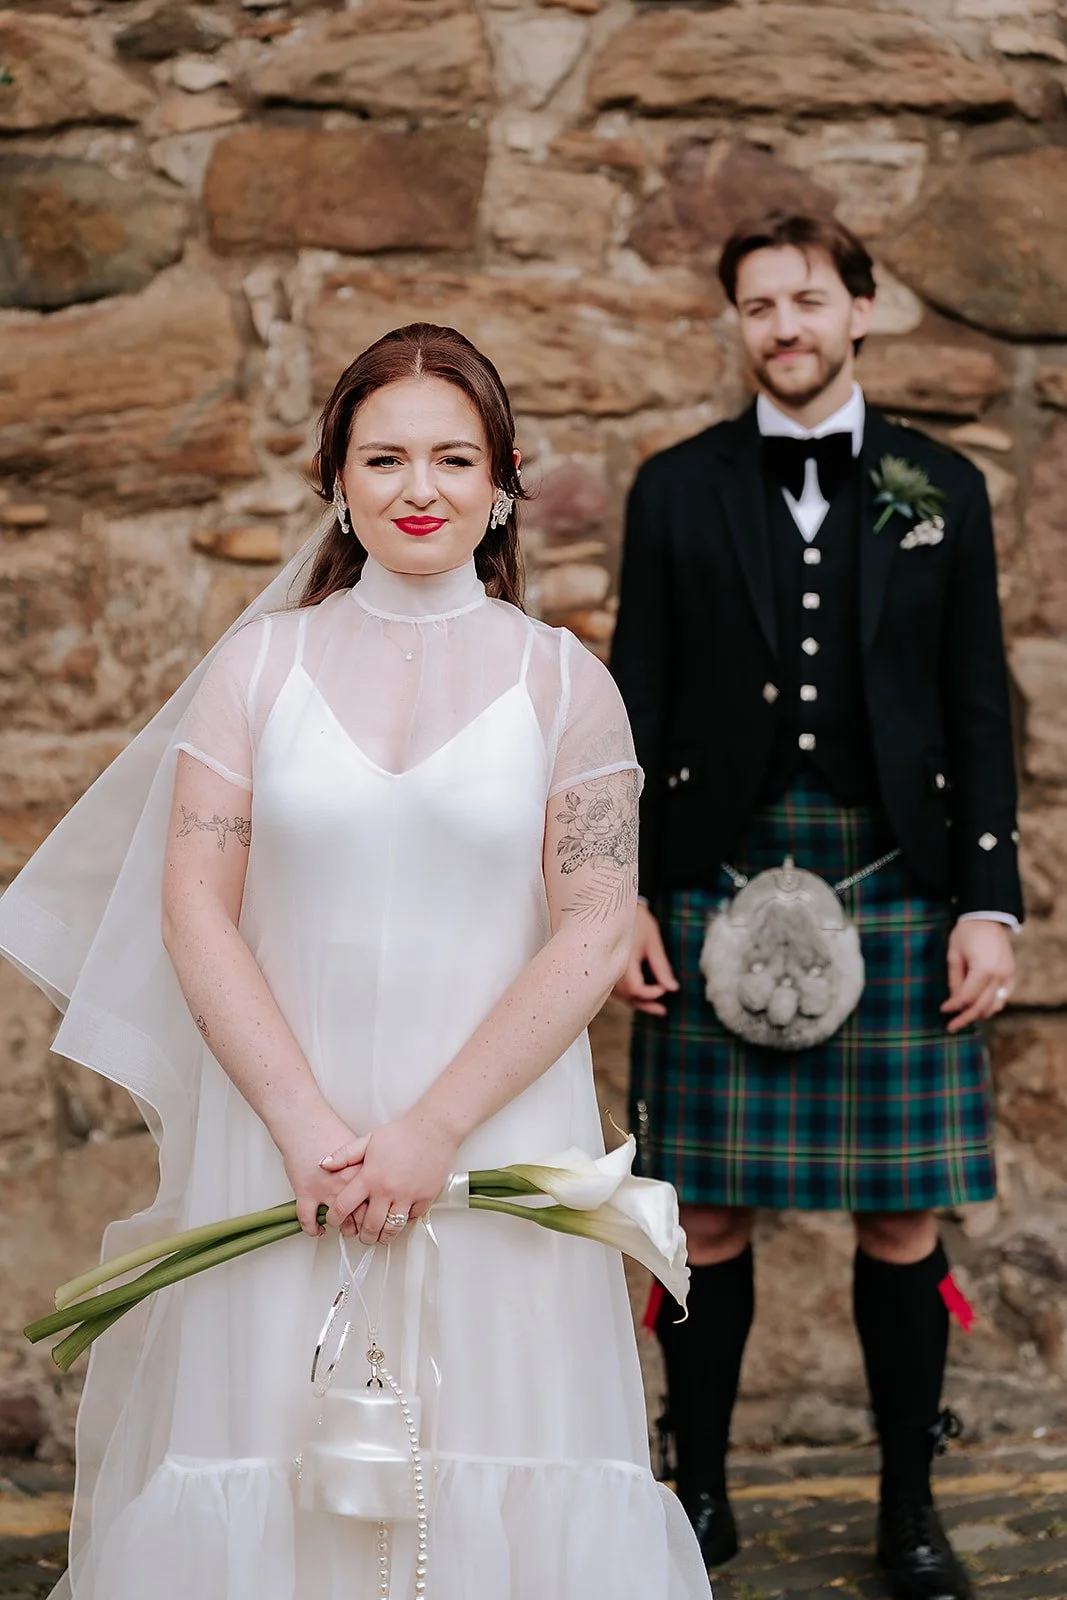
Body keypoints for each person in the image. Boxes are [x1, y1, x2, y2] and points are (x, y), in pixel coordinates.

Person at [0, 325, 711, 1600]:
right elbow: (195, 911)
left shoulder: (565, 687)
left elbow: (594, 925)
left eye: (453, 457)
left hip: (494, 1136)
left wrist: (434, 1129)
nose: (418, 488)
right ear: (337, 477)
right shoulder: (256, 668)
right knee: (270, 1447)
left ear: (501, 485)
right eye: (383, 457)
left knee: (497, 1443)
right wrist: (303, 1125)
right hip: (284, 1146)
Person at [610, 212, 1022, 1600]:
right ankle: (701, 1500)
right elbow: (634, 705)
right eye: (753, 306)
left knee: (901, 1218)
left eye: (803, 300)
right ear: (735, 326)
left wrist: (988, 904)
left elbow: (977, 706)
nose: (779, 326)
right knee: (704, 1219)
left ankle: (907, 1510)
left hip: (893, 879)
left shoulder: (935, 484)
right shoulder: (673, 489)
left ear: (858, 310)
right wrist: (623, 900)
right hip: (709, 873)